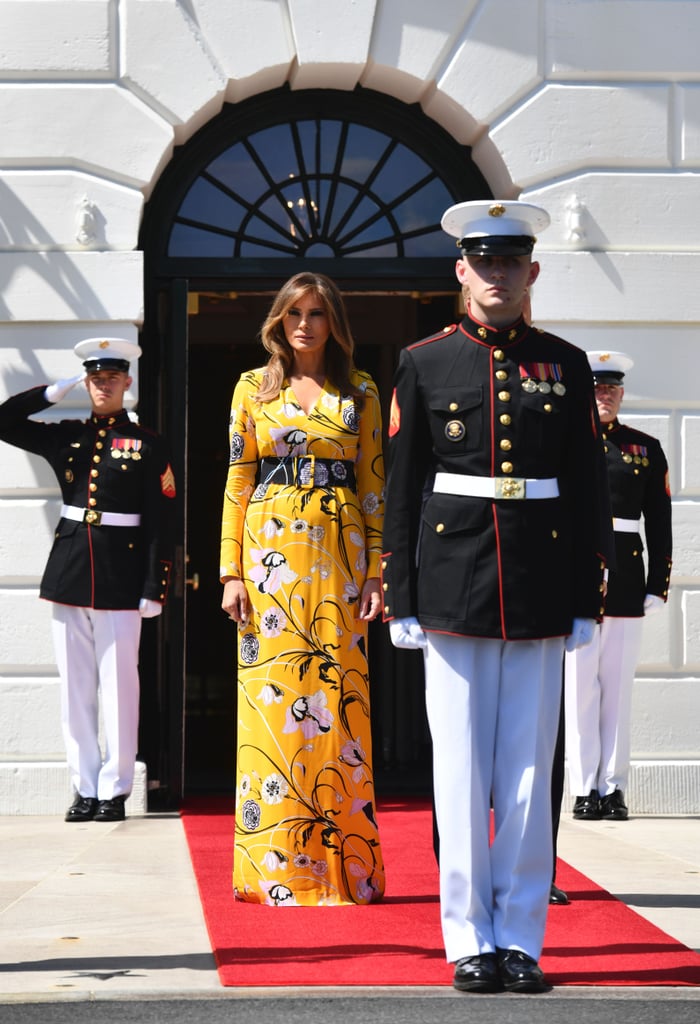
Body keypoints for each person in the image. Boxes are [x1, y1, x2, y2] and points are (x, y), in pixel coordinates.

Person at [381, 200, 612, 993]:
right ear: (460, 270)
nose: (497, 275)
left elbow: (585, 487)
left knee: (526, 774)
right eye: (484, 261)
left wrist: (590, 592)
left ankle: (521, 939)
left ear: (532, 273)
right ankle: (465, 937)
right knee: (459, 769)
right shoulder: (423, 361)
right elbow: (402, 488)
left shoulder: (565, 362)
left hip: (542, 583)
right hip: (451, 586)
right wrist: (400, 592)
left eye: (511, 262)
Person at [220, 272, 385, 906]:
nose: (304, 324)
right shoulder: (250, 388)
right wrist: (231, 573)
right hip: (269, 565)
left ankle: (346, 870)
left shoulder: (361, 389)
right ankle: (274, 871)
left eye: (317, 313)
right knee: (273, 708)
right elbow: (237, 483)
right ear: (278, 320)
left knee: (337, 705)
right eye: (294, 312)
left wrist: (377, 572)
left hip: (339, 561)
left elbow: (374, 488)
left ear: (333, 321)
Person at [0, 337, 176, 822]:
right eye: (95, 379)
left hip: (123, 577)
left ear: (127, 382)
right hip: (71, 571)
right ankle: (82, 786)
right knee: (75, 687)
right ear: (87, 382)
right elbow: (4, 421)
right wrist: (52, 392)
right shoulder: (67, 435)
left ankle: (114, 790)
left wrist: (153, 586)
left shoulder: (147, 444)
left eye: (111, 379)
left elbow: (162, 520)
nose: (103, 386)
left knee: (120, 686)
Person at [564, 351, 672, 822]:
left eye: (611, 389)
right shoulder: (566, 444)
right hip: (577, 577)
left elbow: (661, 521)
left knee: (618, 690)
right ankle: (584, 786)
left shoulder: (644, 448)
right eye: (597, 389)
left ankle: (614, 787)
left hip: (626, 579)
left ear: (622, 395)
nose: (604, 396)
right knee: (579, 686)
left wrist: (658, 583)